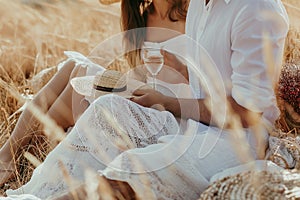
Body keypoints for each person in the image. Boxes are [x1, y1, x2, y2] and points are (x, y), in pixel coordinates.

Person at [2, 0, 289, 199]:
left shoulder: (256, 7)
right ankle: (30, 187)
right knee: (106, 104)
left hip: (235, 138)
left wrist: (167, 100)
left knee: (132, 171)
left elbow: (247, 111)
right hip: (192, 117)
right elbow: (210, 77)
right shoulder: (203, 5)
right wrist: (180, 71)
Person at [0, 0, 189, 187]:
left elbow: (205, 82)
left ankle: (21, 156)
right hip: (146, 96)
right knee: (74, 66)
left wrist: (180, 73)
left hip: (176, 110)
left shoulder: (191, 11)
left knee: (82, 72)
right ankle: (12, 155)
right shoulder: (142, 16)